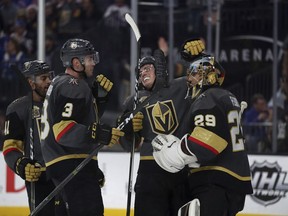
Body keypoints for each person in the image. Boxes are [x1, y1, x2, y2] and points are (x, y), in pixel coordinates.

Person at [152, 55, 253, 216]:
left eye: (195, 73)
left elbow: (207, 143)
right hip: (233, 180)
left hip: (214, 181)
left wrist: (176, 151)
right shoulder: (226, 97)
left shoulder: (208, 97)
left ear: (209, 75)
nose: (189, 78)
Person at [40, 38, 124, 216]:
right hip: (72, 162)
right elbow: (63, 130)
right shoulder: (74, 85)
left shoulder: (58, 83)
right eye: (89, 59)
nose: (93, 62)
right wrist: (97, 133)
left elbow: (76, 120)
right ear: (76, 63)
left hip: (60, 162)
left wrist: (98, 101)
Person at [118, 46, 198, 215]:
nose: (142, 73)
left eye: (147, 68)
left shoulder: (181, 87)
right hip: (150, 169)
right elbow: (127, 144)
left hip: (180, 166)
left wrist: (197, 58)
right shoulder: (133, 102)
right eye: (140, 72)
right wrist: (129, 130)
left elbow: (204, 79)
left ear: (160, 70)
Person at [2, 60, 66, 215]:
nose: (49, 81)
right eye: (43, 78)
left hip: (65, 174)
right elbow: (10, 147)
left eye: (50, 76)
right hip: (39, 178)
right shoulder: (17, 108)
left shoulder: (61, 103)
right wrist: (21, 164)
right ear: (31, 83)